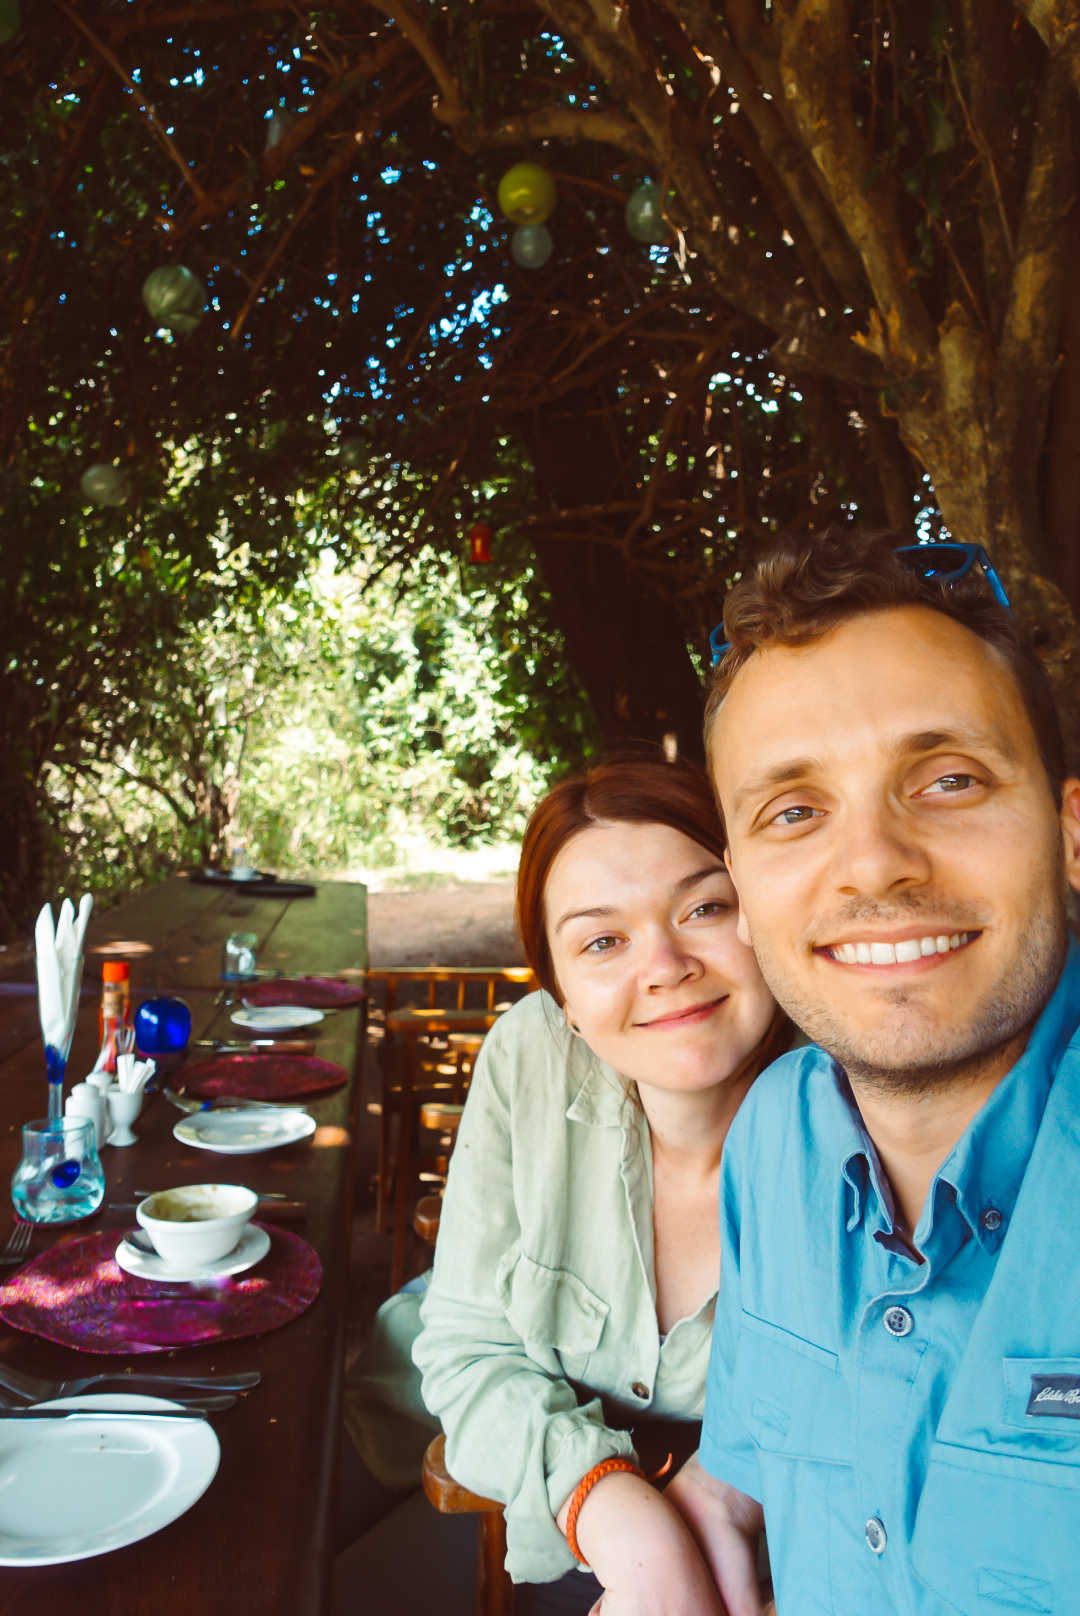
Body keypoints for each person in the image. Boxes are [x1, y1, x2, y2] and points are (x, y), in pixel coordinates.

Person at [674, 529, 1080, 1616]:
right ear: (744, 895)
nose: (874, 862)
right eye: (795, 811)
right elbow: (745, 1474)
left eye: (947, 778)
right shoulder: (773, 1135)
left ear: (1070, 830)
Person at [338, 754, 789, 1615]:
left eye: (705, 908)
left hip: (672, 1512)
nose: (664, 964)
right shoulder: (532, 1052)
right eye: (602, 941)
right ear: (562, 995)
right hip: (433, 1410)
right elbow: (467, 1345)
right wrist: (621, 1516)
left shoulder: (852, 1108)